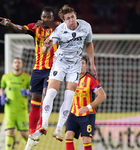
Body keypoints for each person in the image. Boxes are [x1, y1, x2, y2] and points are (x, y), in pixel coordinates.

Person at [0, 6, 60, 150]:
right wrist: (10, 24)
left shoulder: (57, 28)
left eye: (49, 17)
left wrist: (49, 24)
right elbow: (21, 29)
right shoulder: (35, 28)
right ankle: (33, 132)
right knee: (35, 102)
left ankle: (41, 126)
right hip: (37, 70)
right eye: (44, 17)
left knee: (46, 95)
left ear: (52, 17)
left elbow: (64, 26)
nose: (46, 19)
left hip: (53, 69)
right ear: (41, 16)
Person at [39, 5, 97, 142]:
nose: (71, 20)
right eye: (68, 19)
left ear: (75, 16)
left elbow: (89, 43)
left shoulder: (85, 26)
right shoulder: (59, 30)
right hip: (60, 62)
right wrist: (46, 46)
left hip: (75, 64)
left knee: (70, 94)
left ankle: (59, 128)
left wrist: (92, 62)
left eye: (72, 17)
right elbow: (44, 50)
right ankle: (44, 124)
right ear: (64, 21)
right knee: (51, 92)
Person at [65, 56, 106, 150]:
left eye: (83, 63)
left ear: (86, 65)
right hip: (73, 114)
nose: (80, 65)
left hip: (87, 115)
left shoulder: (91, 79)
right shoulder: (71, 78)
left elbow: (102, 96)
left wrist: (88, 106)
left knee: (86, 139)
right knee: (68, 134)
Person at [0, 58, 31, 150]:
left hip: (22, 110)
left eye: (19, 62)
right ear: (12, 65)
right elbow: (1, 89)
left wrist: (28, 92)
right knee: (9, 132)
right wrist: (2, 97)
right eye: (15, 62)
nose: (17, 64)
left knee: (24, 134)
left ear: (22, 65)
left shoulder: (27, 77)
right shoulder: (6, 77)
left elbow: (33, 91)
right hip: (10, 110)